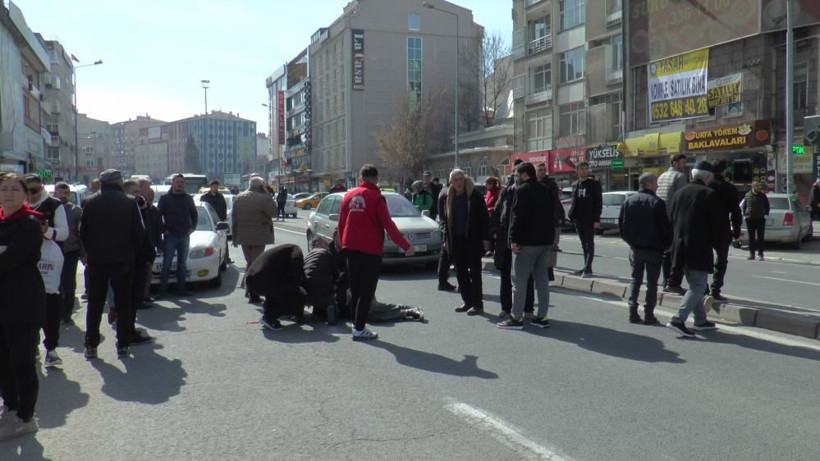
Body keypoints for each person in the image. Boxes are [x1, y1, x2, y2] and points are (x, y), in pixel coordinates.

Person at [338, 164, 414, 340]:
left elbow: (341, 224)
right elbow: (388, 225)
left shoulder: (348, 196)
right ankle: (359, 328)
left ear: (360, 178)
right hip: (370, 251)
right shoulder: (377, 197)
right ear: (377, 179)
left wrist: (343, 244)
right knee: (367, 292)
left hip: (350, 248)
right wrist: (406, 246)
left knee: (355, 290)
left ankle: (355, 325)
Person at [0, 172, 47, 440]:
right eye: (3, 189)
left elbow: (10, 261)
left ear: (25, 194)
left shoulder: (29, 223)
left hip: (23, 304)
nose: (8, 194)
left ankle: (26, 417)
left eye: (14, 189)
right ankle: (10, 407)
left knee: (22, 362)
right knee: (2, 362)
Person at [80, 169, 145, 358]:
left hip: (97, 261)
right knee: (123, 303)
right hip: (123, 261)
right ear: (119, 182)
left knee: (95, 304)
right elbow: (139, 233)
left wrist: (92, 251)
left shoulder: (90, 202)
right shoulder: (129, 202)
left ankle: (91, 344)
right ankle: (123, 344)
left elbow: (83, 232)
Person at [666, 162, 724, 338]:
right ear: (706, 177)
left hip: (679, 244)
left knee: (695, 284)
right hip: (698, 245)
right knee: (699, 285)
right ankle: (678, 319)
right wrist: (719, 244)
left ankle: (700, 320)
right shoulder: (709, 194)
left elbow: (672, 218)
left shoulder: (679, 193)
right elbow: (716, 224)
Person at [497, 162, 555, 330]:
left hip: (527, 243)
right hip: (544, 242)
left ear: (523, 175)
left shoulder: (522, 190)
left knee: (519, 280)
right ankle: (542, 316)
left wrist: (513, 240)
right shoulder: (545, 189)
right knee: (542, 280)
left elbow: (517, 216)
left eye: (516, 175)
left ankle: (516, 318)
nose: (515, 178)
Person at [25, 174, 68, 368]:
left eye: (34, 190)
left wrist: (46, 231)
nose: (31, 195)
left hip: (48, 262)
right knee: (26, 307)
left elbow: (64, 233)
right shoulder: (16, 205)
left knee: (50, 307)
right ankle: (31, 345)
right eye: (27, 190)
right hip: (24, 262)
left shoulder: (54, 205)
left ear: (41, 188)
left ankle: (51, 348)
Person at [619, 173, 672, 325]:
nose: (658, 186)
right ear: (649, 184)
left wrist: (629, 241)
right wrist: (667, 245)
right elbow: (664, 228)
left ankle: (632, 312)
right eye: (656, 183)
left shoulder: (629, 201)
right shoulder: (657, 202)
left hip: (635, 248)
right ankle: (649, 314)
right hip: (654, 249)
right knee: (652, 283)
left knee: (636, 280)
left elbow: (622, 225)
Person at [444, 169, 490, 316]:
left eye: (460, 179)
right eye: (455, 180)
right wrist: (445, 240)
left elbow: (484, 218)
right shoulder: (449, 196)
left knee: (475, 273)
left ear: (464, 179)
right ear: (451, 182)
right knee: (460, 272)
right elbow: (447, 220)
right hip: (456, 239)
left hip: (472, 239)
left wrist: (486, 239)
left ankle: (477, 304)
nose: (458, 182)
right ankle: (467, 301)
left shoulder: (474, 195)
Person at [493, 167, 534, 320]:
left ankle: (528, 308)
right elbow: (497, 213)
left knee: (526, 276)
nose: (515, 177)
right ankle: (506, 308)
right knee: (506, 275)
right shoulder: (506, 192)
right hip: (505, 240)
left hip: (523, 241)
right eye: (514, 175)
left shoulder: (529, 191)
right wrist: (495, 231)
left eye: (517, 174)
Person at [232, 176, 277, 303]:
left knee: (250, 262)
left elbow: (234, 219)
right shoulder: (264, 198)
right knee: (255, 265)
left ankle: (248, 288)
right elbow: (273, 213)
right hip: (259, 236)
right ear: (261, 186)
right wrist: (268, 194)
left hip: (243, 236)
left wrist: (235, 238)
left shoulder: (239, 198)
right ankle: (253, 293)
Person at [122, 180, 155, 345]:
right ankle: (127, 334)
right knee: (128, 299)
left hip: (139, 258)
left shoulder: (140, 207)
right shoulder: (125, 208)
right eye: (135, 192)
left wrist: (144, 210)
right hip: (131, 259)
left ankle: (129, 330)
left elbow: (147, 229)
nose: (139, 195)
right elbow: (137, 234)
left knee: (134, 299)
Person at [246, 244, 307, 331]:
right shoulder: (296, 250)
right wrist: (299, 287)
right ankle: (270, 317)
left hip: (252, 279)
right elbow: (296, 266)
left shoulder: (283, 251)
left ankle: (269, 313)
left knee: (278, 288)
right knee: (295, 292)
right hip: (262, 280)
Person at [157, 174, 198, 297]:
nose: (180, 184)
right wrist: (164, 229)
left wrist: (192, 228)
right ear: (172, 183)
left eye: (182, 182)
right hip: (170, 236)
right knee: (166, 264)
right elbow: (158, 216)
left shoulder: (188, 198)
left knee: (182, 264)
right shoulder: (165, 199)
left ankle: (181, 290)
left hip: (184, 235)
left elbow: (194, 215)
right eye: (177, 182)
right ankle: (162, 291)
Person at [708, 160, 742, 301]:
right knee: (721, 260)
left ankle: (703, 288)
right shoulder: (729, 188)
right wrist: (736, 230)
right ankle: (715, 289)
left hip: (705, 227)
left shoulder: (706, 186)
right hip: (722, 228)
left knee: (703, 258)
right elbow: (735, 211)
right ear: (723, 172)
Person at [657, 154, 689, 294]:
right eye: (682, 163)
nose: (684, 165)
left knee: (666, 252)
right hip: (674, 219)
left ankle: (665, 282)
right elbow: (682, 198)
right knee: (676, 253)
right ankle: (672, 282)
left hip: (661, 218)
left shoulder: (662, 176)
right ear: (675, 163)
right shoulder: (680, 177)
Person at [54, 182, 84, 326]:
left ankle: (67, 314)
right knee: (55, 283)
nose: (63, 196)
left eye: (66, 193)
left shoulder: (76, 211)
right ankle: (56, 312)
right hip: (54, 250)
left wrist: (83, 253)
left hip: (71, 251)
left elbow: (81, 233)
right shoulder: (50, 208)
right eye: (60, 193)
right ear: (55, 192)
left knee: (69, 283)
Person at [567, 162, 602, 278]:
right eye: (582, 169)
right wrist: (571, 215)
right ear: (577, 170)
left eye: (586, 169)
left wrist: (597, 219)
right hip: (578, 219)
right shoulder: (575, 185)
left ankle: (588, 268)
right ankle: (586, 266)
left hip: (590, 218)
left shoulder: (594, 184)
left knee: (589, 244)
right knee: (583, 244)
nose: (584, 171)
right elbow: (574, 202)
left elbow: (598, 202)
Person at [537, 163, 566, 275]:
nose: (542, 172)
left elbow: (553, 202)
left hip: (551, 219)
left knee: (550, 248)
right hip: (539, 221)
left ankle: (548, 273)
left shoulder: (551, 184)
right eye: (540, 170)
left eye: (544, 169)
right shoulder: (533, 183)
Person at [303, 238, 340, 325]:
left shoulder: (307, 256)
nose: (329, 247)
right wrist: (335, 284)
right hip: (324, 288)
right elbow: (336, 273)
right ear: (318, 245)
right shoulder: (326, 253)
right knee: (332, 302)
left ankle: (315, 310)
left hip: (308, 289)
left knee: (315, 299)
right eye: (326, 245)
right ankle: (330, 308)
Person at [436, 180, 456, 291]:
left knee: (445, 256)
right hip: (447, 227)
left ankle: (442, 281)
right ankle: (443, 281)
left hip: (444, 226)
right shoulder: (448, 192)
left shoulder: (443, 191)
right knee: (448, 256)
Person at [743, 181, 770, 261]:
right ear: (753, 186)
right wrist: (745, 214)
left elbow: (767, 205)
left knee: (760, 238)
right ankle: (752, 254)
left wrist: (765, 213)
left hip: (760, 219)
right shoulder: (747, 195)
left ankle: (761, 254)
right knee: (751, 238)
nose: (759, 187)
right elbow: (745, 206)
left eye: (759, 186)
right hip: (750, 219)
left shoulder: (762, 195)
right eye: (757, 186)